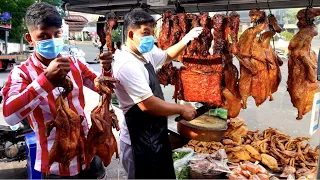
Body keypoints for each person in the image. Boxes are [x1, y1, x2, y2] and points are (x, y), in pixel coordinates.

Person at [1, 2, 113, 179]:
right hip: (56, 166)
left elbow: (102, 87)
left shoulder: (75, 63)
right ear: (30, 39)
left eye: (57, 33)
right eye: (43, 35)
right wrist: (46, 81)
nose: (52, 40)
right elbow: (10, 114)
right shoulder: (22, 73)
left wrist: (106, 69)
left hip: (87, 156)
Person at [113, 10, 202, 179]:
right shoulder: (127, 64)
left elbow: (167, 56)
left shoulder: (144, 53)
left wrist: (185, 40)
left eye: (152, 33)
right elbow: (148, 105)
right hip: (137, 140)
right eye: (145, 33)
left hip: (153, 133)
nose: (150, 38)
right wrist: (181, 109)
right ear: (131, 33)